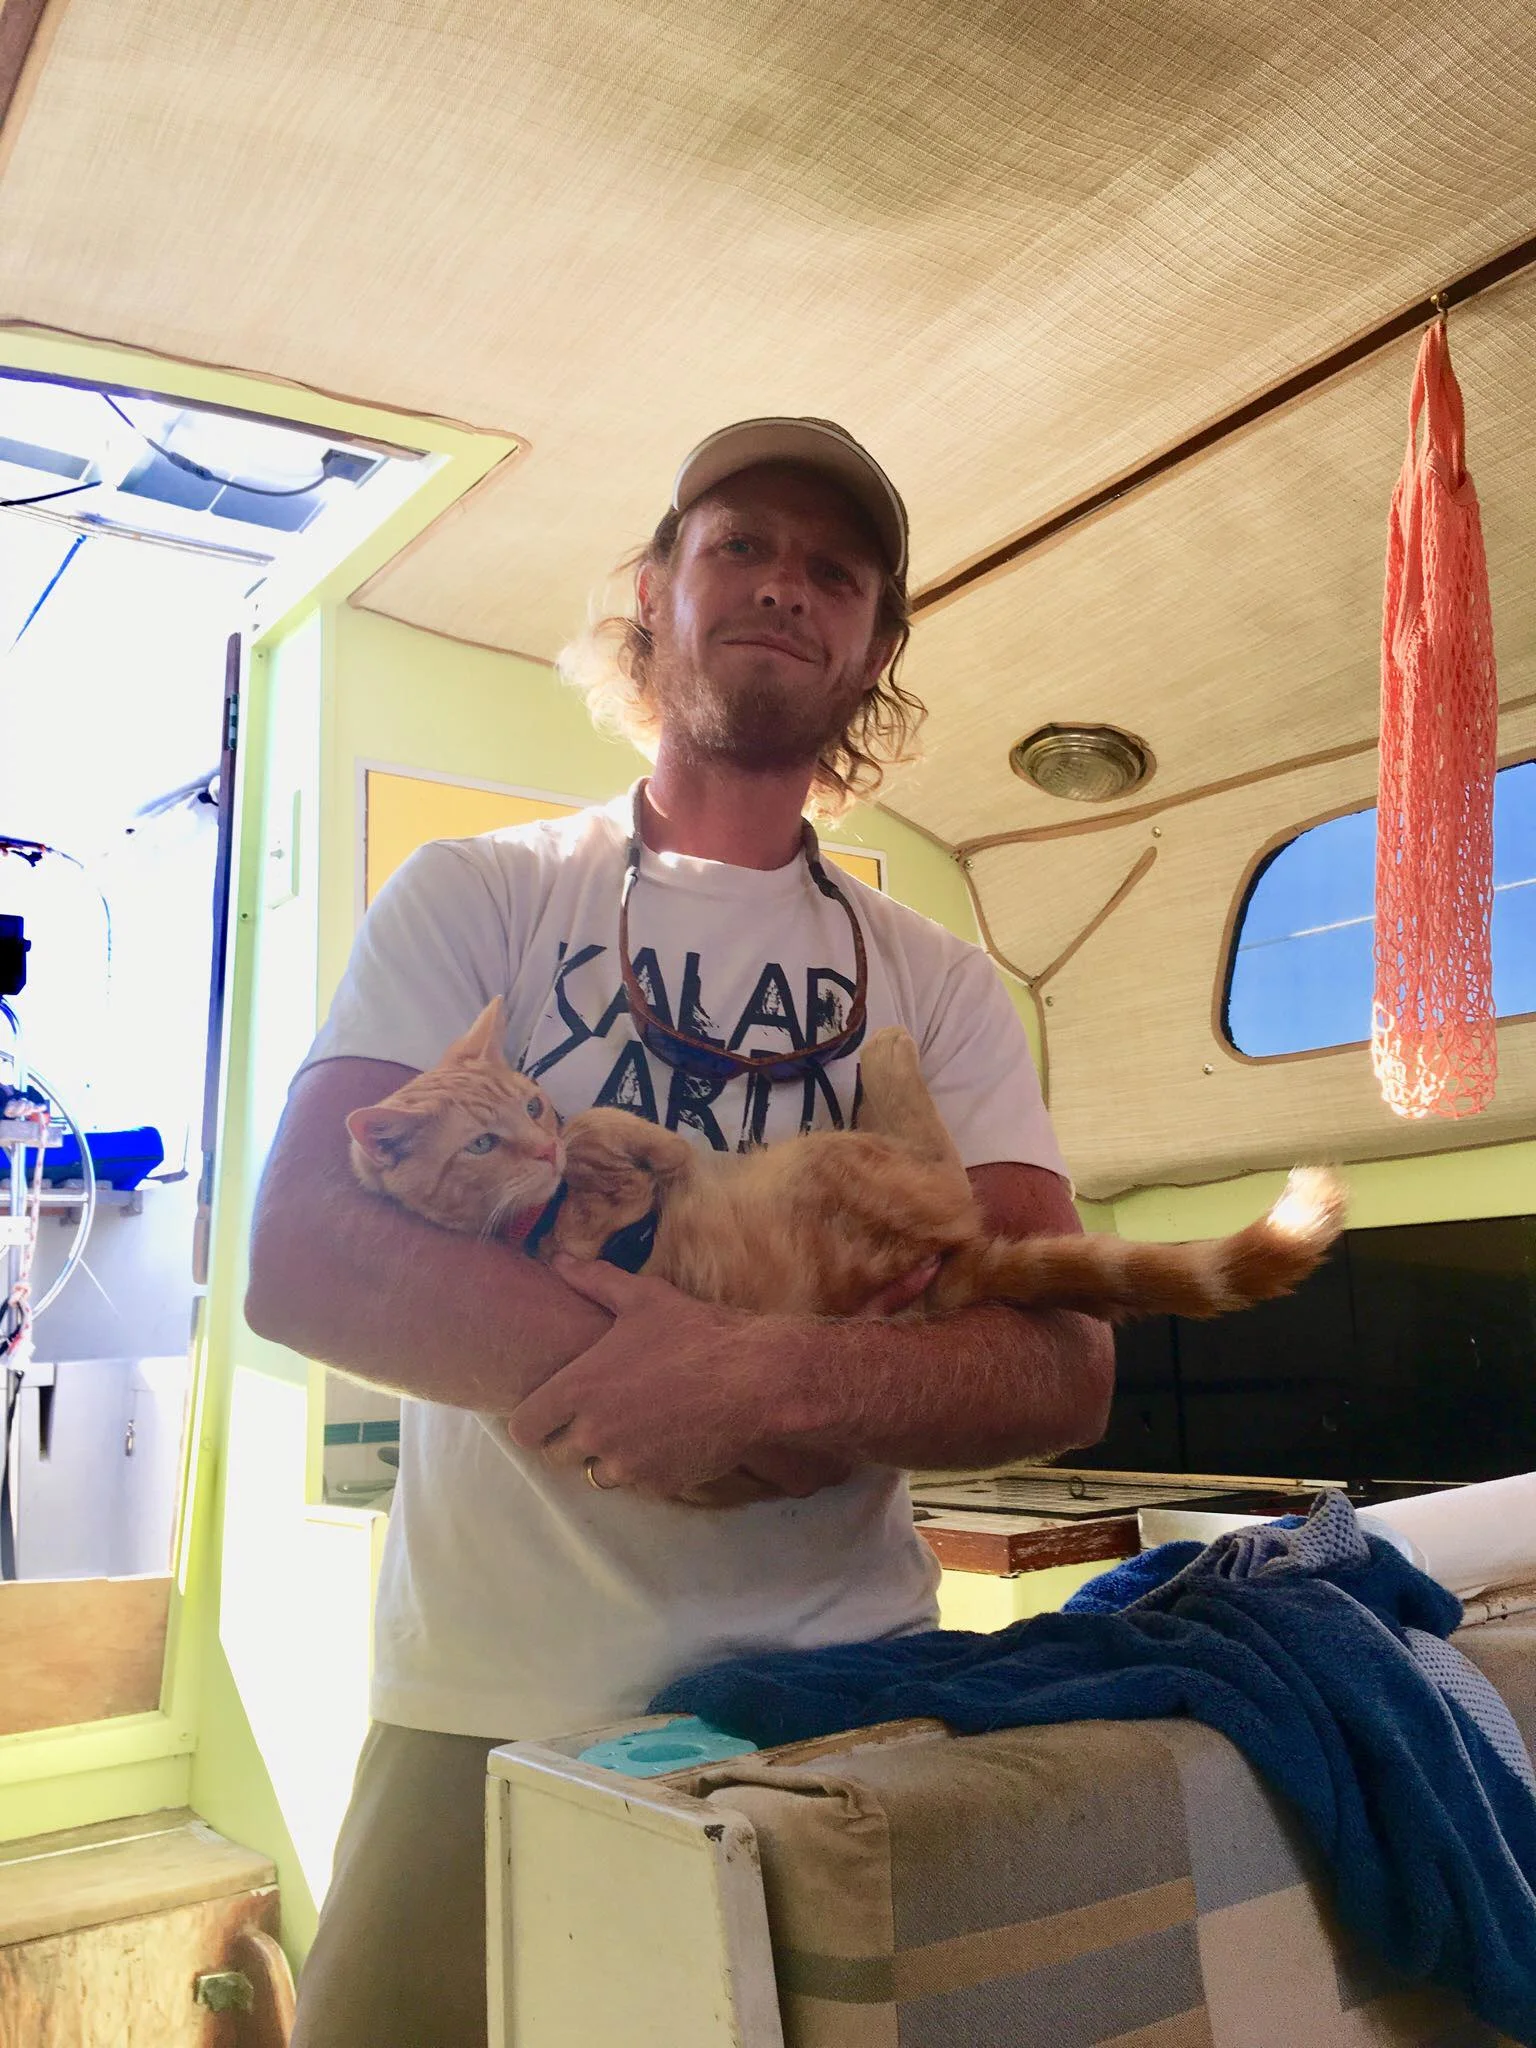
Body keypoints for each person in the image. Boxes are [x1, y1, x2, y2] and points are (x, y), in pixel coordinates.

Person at [247, 416, 1114, 2047]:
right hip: (490, 1711)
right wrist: (671, 1385)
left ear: (875, 649)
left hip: (848, 1707)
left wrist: (769, 1386)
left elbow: (1065, 1362)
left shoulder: (940, 982)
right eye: (742, 547)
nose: (787, 586)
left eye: (836, 574)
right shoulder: (480, 895)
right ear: (655, 591)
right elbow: (305, 1252)